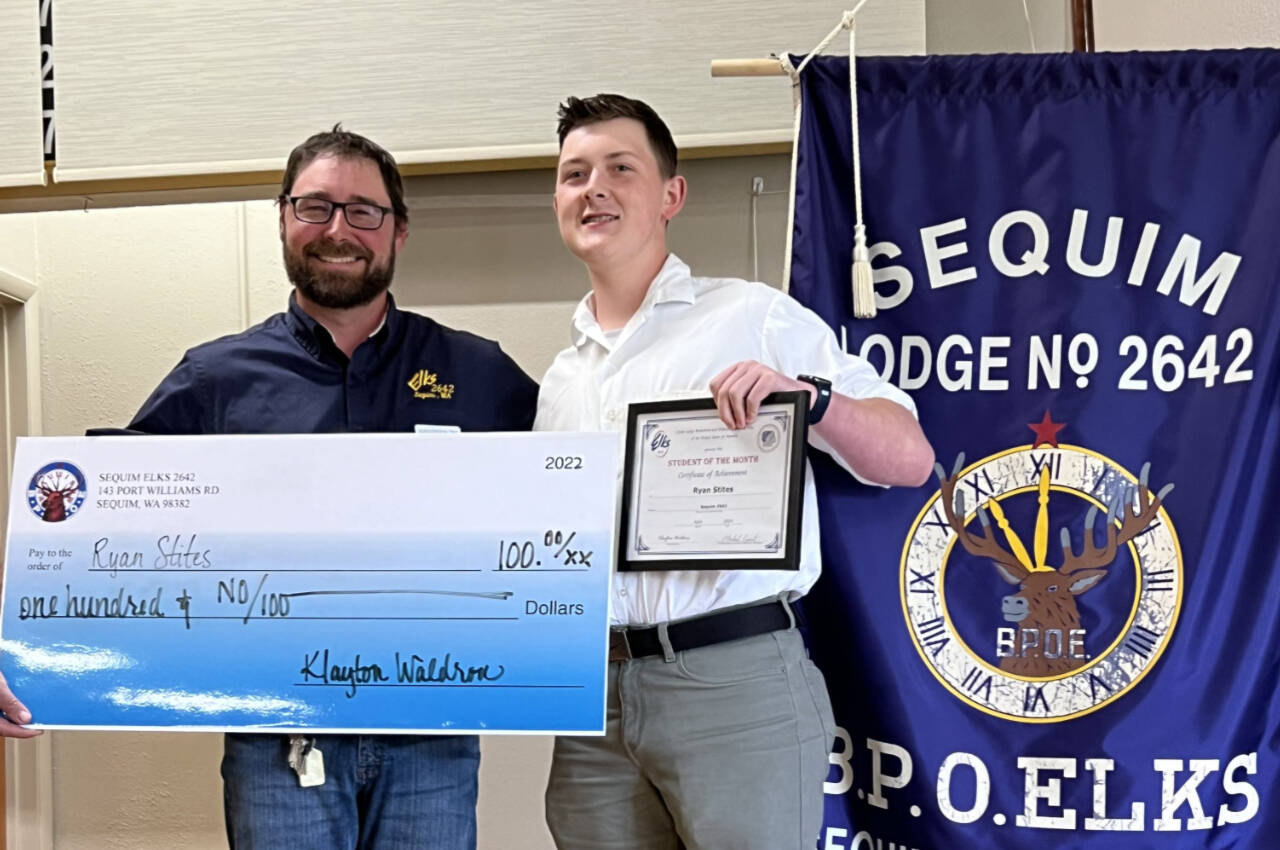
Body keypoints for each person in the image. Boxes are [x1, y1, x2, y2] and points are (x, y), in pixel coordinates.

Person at [0, 126, 537, 849]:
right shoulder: (215, 378)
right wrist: (22, 650)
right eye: (315, 207)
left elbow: (574, 500)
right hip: (276, 737)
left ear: (399, 230)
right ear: (283, 218)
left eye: (363, 210)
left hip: (432, 735)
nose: (338, 229)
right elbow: (101, 531)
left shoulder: (478, 372)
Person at [535, 94, 934, 850]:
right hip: (595, 701)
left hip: (733, 682)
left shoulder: (750, 317)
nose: (594, 189)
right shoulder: (560, 377)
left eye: (621, 169)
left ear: (671, 195)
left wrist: (812, 401)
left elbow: (910, 457)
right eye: (574, 174)